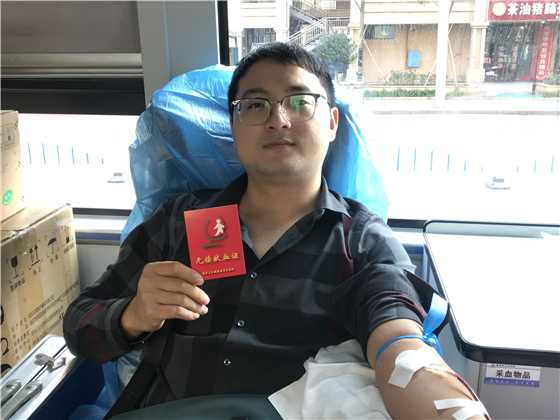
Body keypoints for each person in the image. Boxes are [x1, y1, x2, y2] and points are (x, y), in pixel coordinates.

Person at [63, 42, 484, 419]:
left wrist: (452, 409)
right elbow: (79, 326)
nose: (278, 120)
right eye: (255, 105)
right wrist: (134, 315)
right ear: (233, 126)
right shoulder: (177, 223)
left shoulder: (362, 242)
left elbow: (401, 346)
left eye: (299, 102)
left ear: (332, 123)